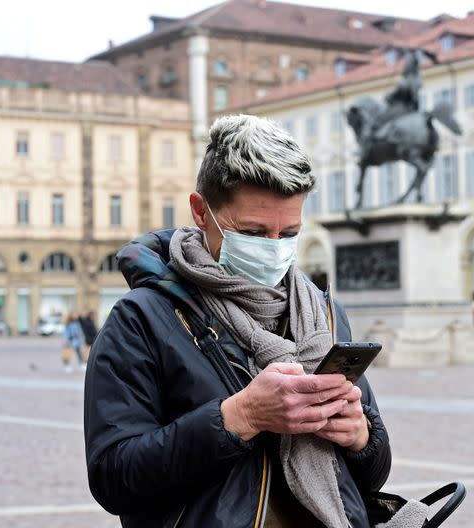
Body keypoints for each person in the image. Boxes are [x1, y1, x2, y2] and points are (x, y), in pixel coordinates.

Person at [84, 115, 401, 527]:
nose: (273, 249)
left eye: (288, 233)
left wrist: (361, 437)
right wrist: (239, 418)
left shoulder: (321, 313)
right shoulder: (141, 319)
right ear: (201, 212)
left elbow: (371, 476)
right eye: (252, 231)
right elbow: (113, 477)